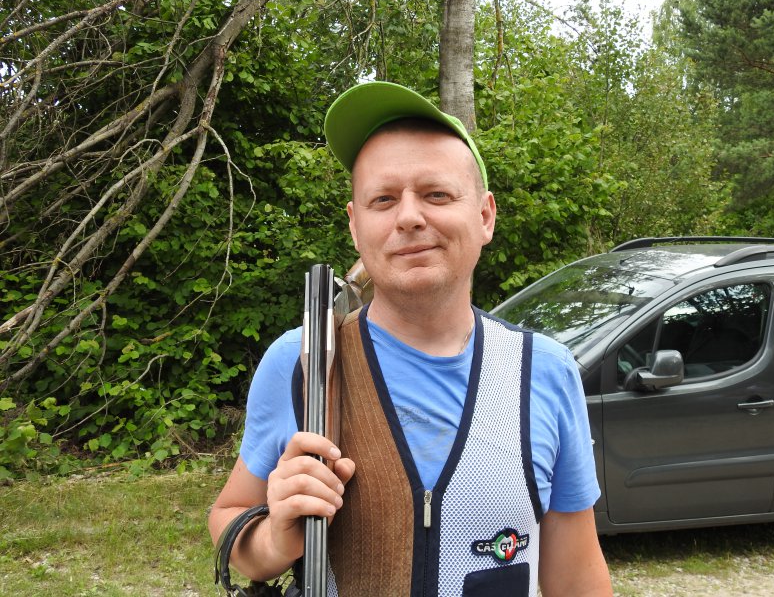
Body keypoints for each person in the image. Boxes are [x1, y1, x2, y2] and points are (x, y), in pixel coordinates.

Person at [208, 81, 613, 596]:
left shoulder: (546, 370)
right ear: (356, 227)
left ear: (485, 216)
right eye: (383, 199)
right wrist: (273, 539)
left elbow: (576, 577)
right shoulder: (303, 360)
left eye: (436, 194)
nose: (409, 217)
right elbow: (229, 514)